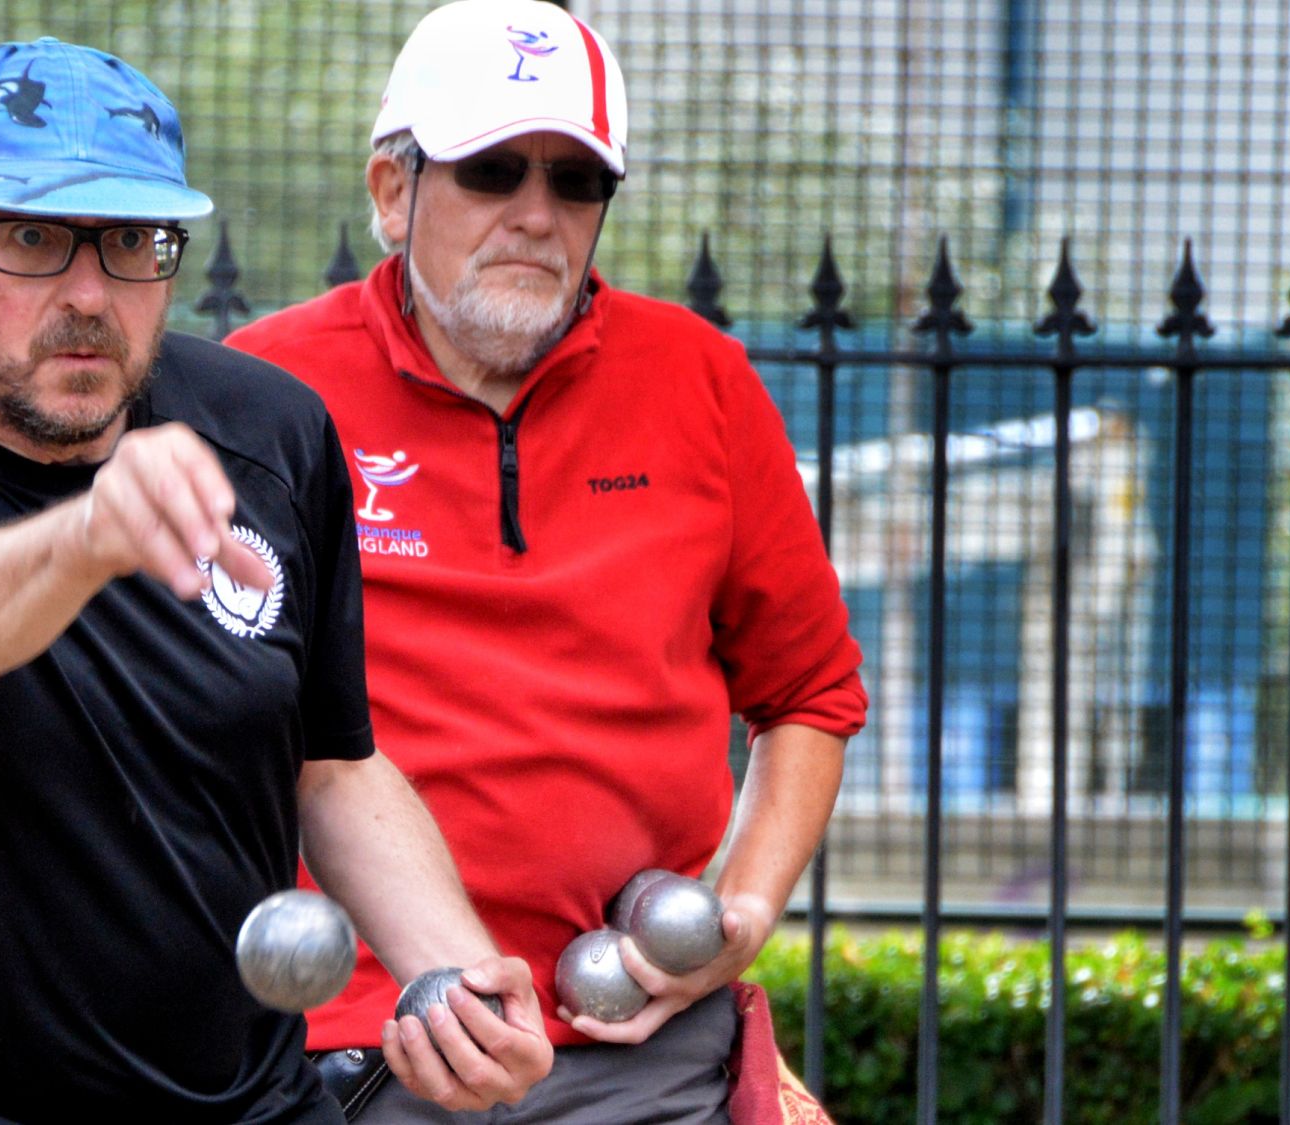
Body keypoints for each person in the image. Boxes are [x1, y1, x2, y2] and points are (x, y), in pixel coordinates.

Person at [0, 37, 552, 1123]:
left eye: (131, 241)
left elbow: (331, 769)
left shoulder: (271, 433)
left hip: (240, 1098)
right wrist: (88, 536)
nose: (89, 294)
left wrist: (456, 982)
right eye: (31, 239)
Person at [226, 1, 868, 1119]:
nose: (535, 215)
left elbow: (810, 693)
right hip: (363, 1042)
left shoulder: (702, 381)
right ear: (391, 191)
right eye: (490, 171)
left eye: (575, 182)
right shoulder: (266, 394)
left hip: (638, 1034)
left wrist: (746, 910)